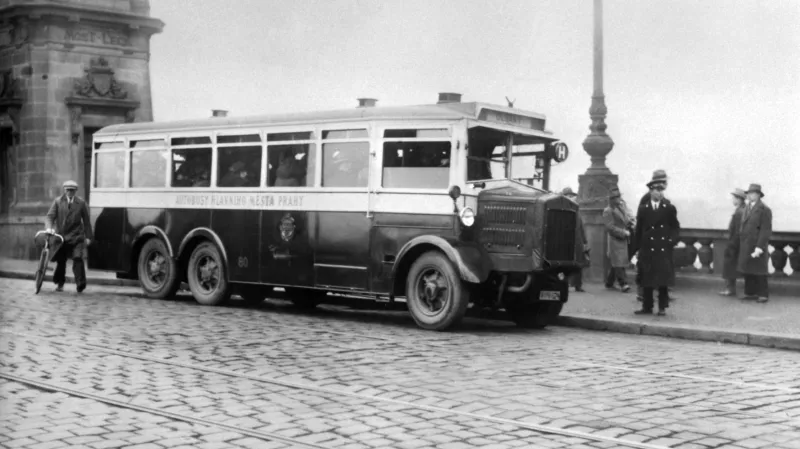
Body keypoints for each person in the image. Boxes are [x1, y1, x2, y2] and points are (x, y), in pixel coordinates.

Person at [634, 170, 680, 316]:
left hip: (662, 248)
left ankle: (662, 307)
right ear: (650, 191)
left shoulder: (669, 208)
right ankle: (646, 307)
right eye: (655, 190)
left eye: (661, 190)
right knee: (647, 279)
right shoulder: (643, 209)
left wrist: (671, 241)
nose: (658, 193)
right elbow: (639, 229)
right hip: (647, 248)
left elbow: (675, 227)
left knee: (662, 281)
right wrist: (636, 248)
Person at [45, 180, 93, 293]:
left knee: (77, 258)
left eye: (72, 190)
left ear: (76, 191)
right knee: (61, 261)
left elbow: (86, 221)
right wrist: (49, 228)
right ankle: (60, 283)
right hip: (61, 236)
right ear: (64, 190)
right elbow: (50, 217)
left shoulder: (81, 203)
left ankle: (80, 284)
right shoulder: (57, 202)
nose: (70, 192)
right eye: (68, 190)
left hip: (76, 236)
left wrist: (88, 237)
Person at [737, 183, 772, 303]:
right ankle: (750, 293)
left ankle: (763, 294)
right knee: (748, 269)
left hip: (757, 245)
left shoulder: (764, 209)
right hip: (746, 244)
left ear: (758, 195)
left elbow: (765, 230)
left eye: (752, 193)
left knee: (760, 271)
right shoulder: (747, 207)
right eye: (749, 193)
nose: (750, 195)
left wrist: (759, 246)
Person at [603, 187, 631, 292]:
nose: (619, 198)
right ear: (612, 199)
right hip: (615, 239)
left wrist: (629, 222)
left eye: (619, 196)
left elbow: (625, 220)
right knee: (619, 262)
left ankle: (609, 282)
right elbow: (610, 227)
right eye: (617, 197)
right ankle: (623, 283)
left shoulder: (621, 208)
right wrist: (623, 232)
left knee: (618, 262)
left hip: (622, 239)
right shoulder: (608, 211)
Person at [719, 188, 746, 296]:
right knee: (732, 266)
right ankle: (730, 289)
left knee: (730, 266)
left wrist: (732, 245)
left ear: (739, 199)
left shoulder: (739, 211)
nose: (732, 200)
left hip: (734, 243)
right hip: (737, 243)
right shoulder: (742, 210)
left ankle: (730, 289)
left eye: (734, 198)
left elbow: (737, 231)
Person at [562, 187, 588, 292]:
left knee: (578, 264)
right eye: (569, 196)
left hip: (577, 242)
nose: (572, 198)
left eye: (572, 196)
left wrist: (585, 241)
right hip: (566, 242)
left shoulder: (576, 211)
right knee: (564, 264)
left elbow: (581, 227)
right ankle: (565, 284)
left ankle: (577, 285)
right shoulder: (562, 210)